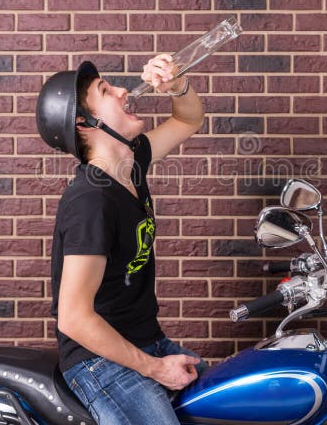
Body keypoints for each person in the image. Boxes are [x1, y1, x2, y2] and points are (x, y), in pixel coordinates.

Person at [36, 54, 207, 425]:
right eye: (105, 91)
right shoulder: (91, 200)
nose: (124, 90)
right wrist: (156, 369)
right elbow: (74, 317)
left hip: (147, 342)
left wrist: (178, 86)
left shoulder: (130, 163)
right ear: (85, 123)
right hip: (99, 363)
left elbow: (188, 118)